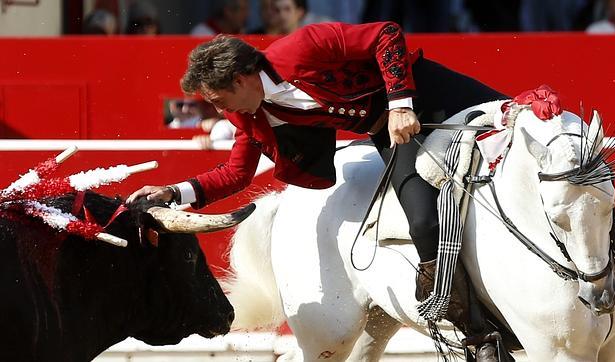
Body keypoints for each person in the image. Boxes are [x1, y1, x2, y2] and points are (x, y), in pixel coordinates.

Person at [127, 20, 505, 338]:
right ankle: (478, 334)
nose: (219, 110)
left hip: (426, 91)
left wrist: (400, 105)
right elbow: (236, 173)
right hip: (390, 134)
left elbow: (385, 33)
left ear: (242, 78)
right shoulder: (248, 115)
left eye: (219, 99)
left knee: (525, 124)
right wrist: (173, 191)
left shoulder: (302, 47)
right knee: (423, 222)